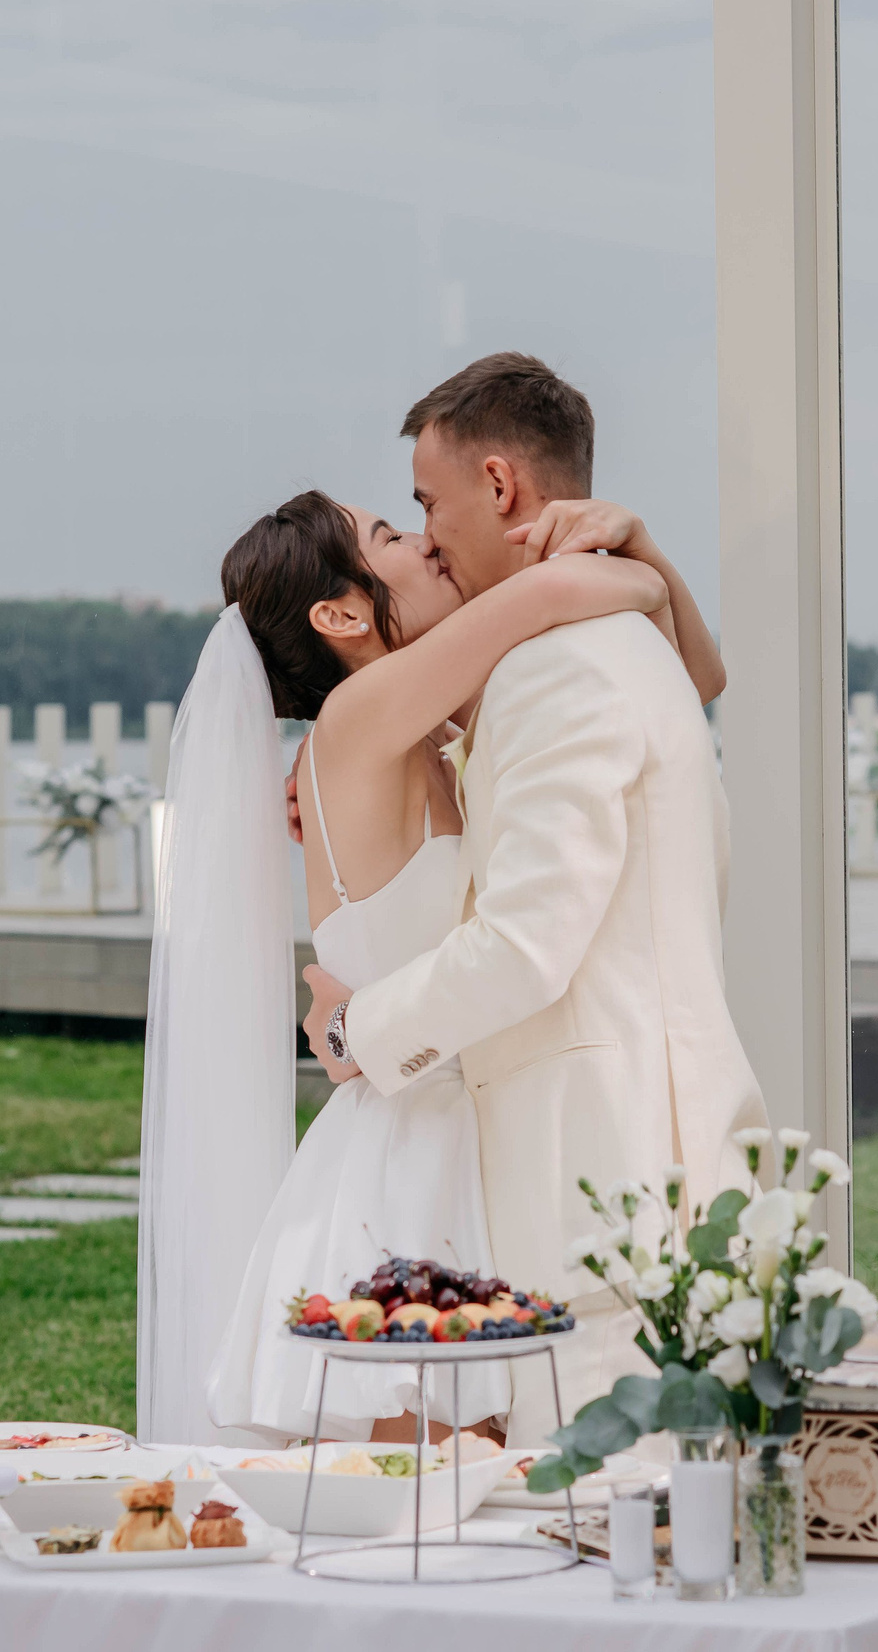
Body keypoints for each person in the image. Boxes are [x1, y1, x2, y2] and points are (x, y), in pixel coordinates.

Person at [163, 482, 721, 1446]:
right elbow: (546, 598)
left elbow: (695, 680)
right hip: (408, 1159)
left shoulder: (426, 735)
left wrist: (641, 554)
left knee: (478, 1467)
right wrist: (628, 551)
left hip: (463, 1119)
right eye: (388, 534)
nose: (425, 541)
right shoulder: (359, 717)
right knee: (424, 1474)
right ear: (340, 612)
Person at [302, 353, 772, 1445]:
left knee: (612, 1532)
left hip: (608, 1173)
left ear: (501, 486)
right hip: (624, 1161)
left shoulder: (560, 666)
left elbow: (525, 944)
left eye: (427, 501)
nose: (426, 533)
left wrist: (352, 1024)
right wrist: (647, 565)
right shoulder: (610, 646)